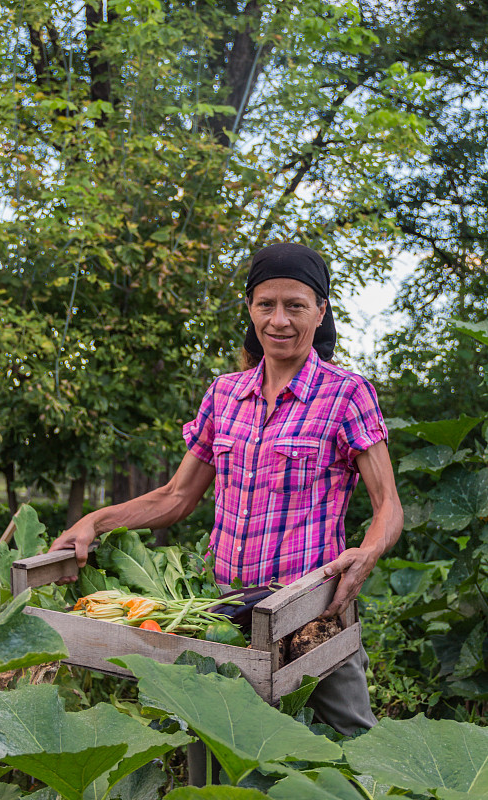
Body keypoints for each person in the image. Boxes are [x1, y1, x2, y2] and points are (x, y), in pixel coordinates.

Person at [50, 242, 403, 733]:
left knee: (351, 740)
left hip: (311, 609)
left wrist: (366, 554)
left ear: (321, 311)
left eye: (295, 305)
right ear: (250, 308)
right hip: (222, 608)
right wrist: (94, 521)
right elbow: (176, 497)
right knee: (217, 738)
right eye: (266, 304)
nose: (279, 320)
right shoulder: (224, 394)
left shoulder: (346, 394)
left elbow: (389, 507)